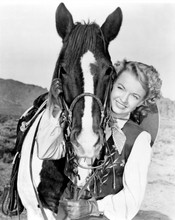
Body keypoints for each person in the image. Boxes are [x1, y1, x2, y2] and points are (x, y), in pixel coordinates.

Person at [36, 59, 162, 220]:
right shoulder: (84, 121)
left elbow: (132, 198)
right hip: (64, 210)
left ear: (142, 102)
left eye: (134, 96)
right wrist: (56, 107)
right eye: (120, 88)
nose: (124, 99)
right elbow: (46, 151)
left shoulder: (139, 139)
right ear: (110, 85)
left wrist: (93, 207)